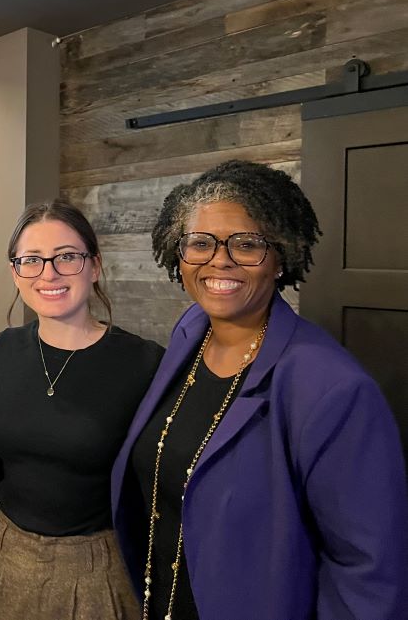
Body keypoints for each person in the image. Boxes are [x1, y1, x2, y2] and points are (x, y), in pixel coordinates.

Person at [111, 160, 408, 620]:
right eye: (200, 243)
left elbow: (369, 571)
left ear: (281, 256)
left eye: (247, 244)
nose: (219, 260)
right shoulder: (192, 331)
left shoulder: (332, 388)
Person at [0, 199, 164, 620]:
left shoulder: (144, 363)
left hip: (97, 571)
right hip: (6, 560)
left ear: (94, 266)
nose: (49, 273)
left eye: (66, 257)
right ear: (15, 272)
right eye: (32, 261)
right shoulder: (4, 350)